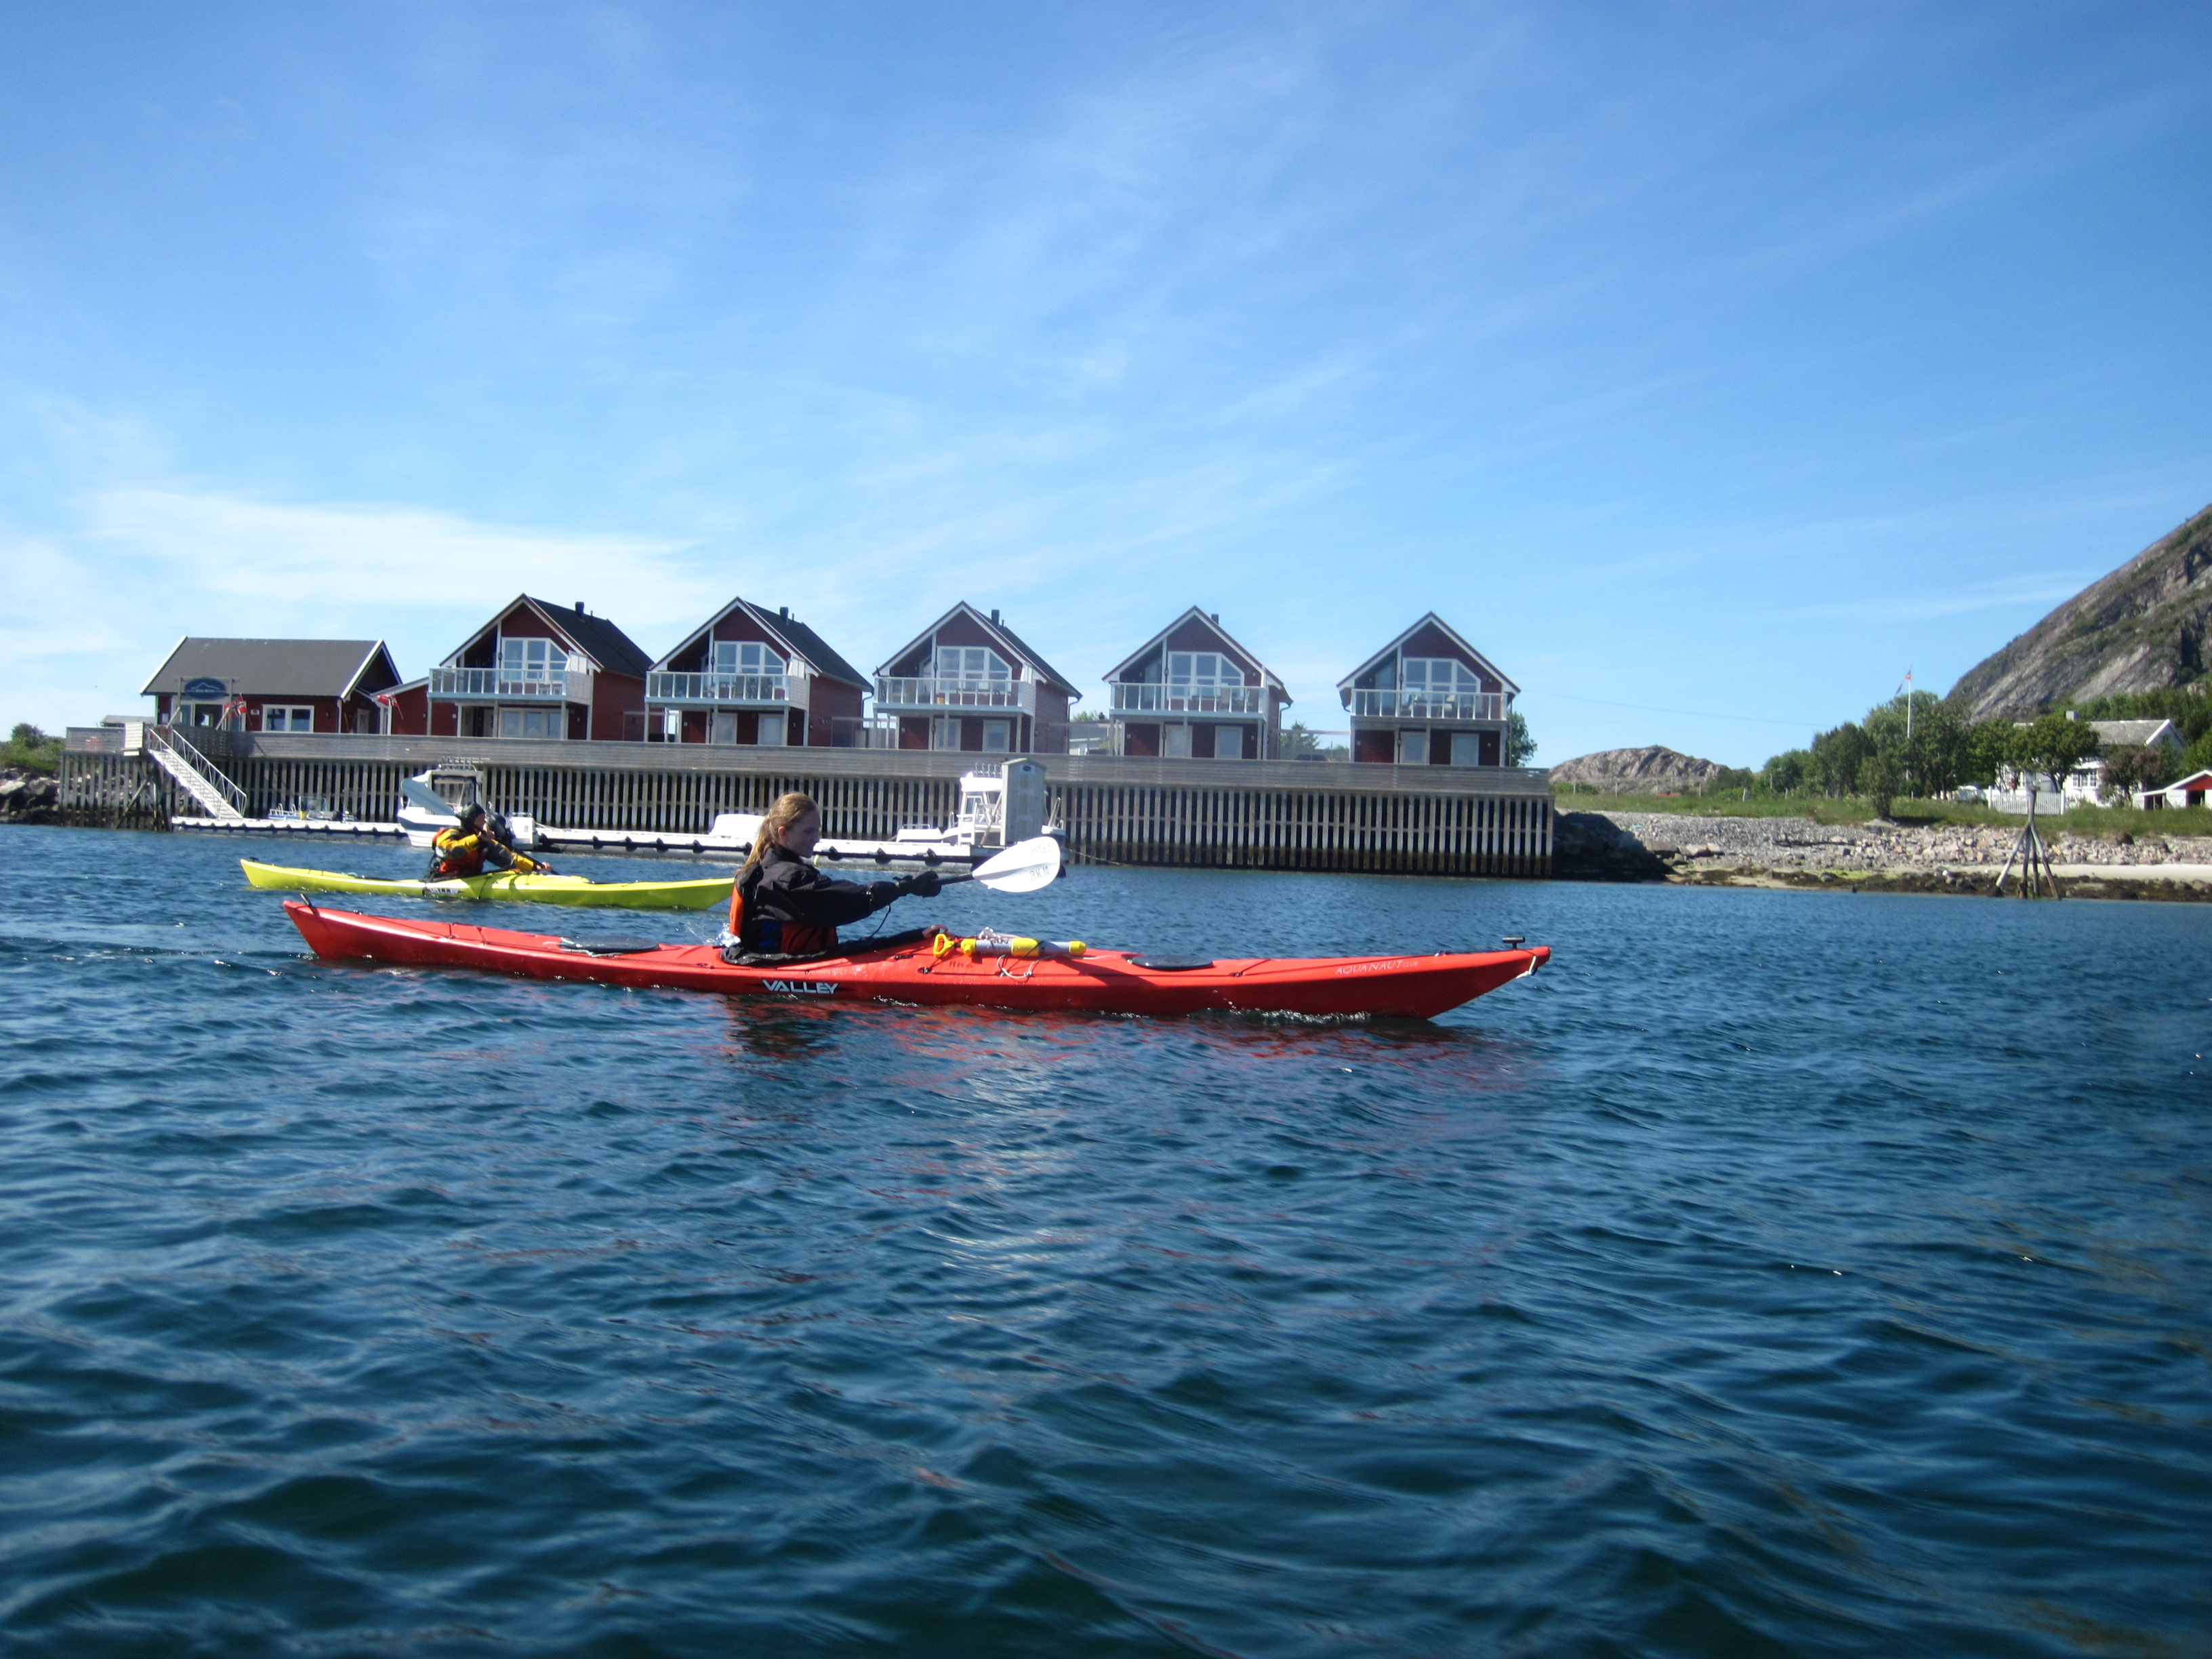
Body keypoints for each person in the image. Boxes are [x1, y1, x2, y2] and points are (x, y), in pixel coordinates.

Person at [728, 792, 940, 958]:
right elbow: (847, 901)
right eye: (808, 832)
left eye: (817, 831)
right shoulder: (788, 879)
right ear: (783, 833)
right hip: (785, 964)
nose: (816, 839)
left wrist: (911, 936)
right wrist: (904, 887)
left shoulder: (759, 870)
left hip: (775, 958)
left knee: (911, 939)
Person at [427, 802, 552, 880]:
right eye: (481, 819)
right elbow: (449, 851)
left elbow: (508, 858)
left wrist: (536, 867)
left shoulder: (484, 841)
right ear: (471, 822)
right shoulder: (452, 834)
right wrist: (477, 839)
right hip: (444, 880)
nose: (484, 822)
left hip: (470, 880)